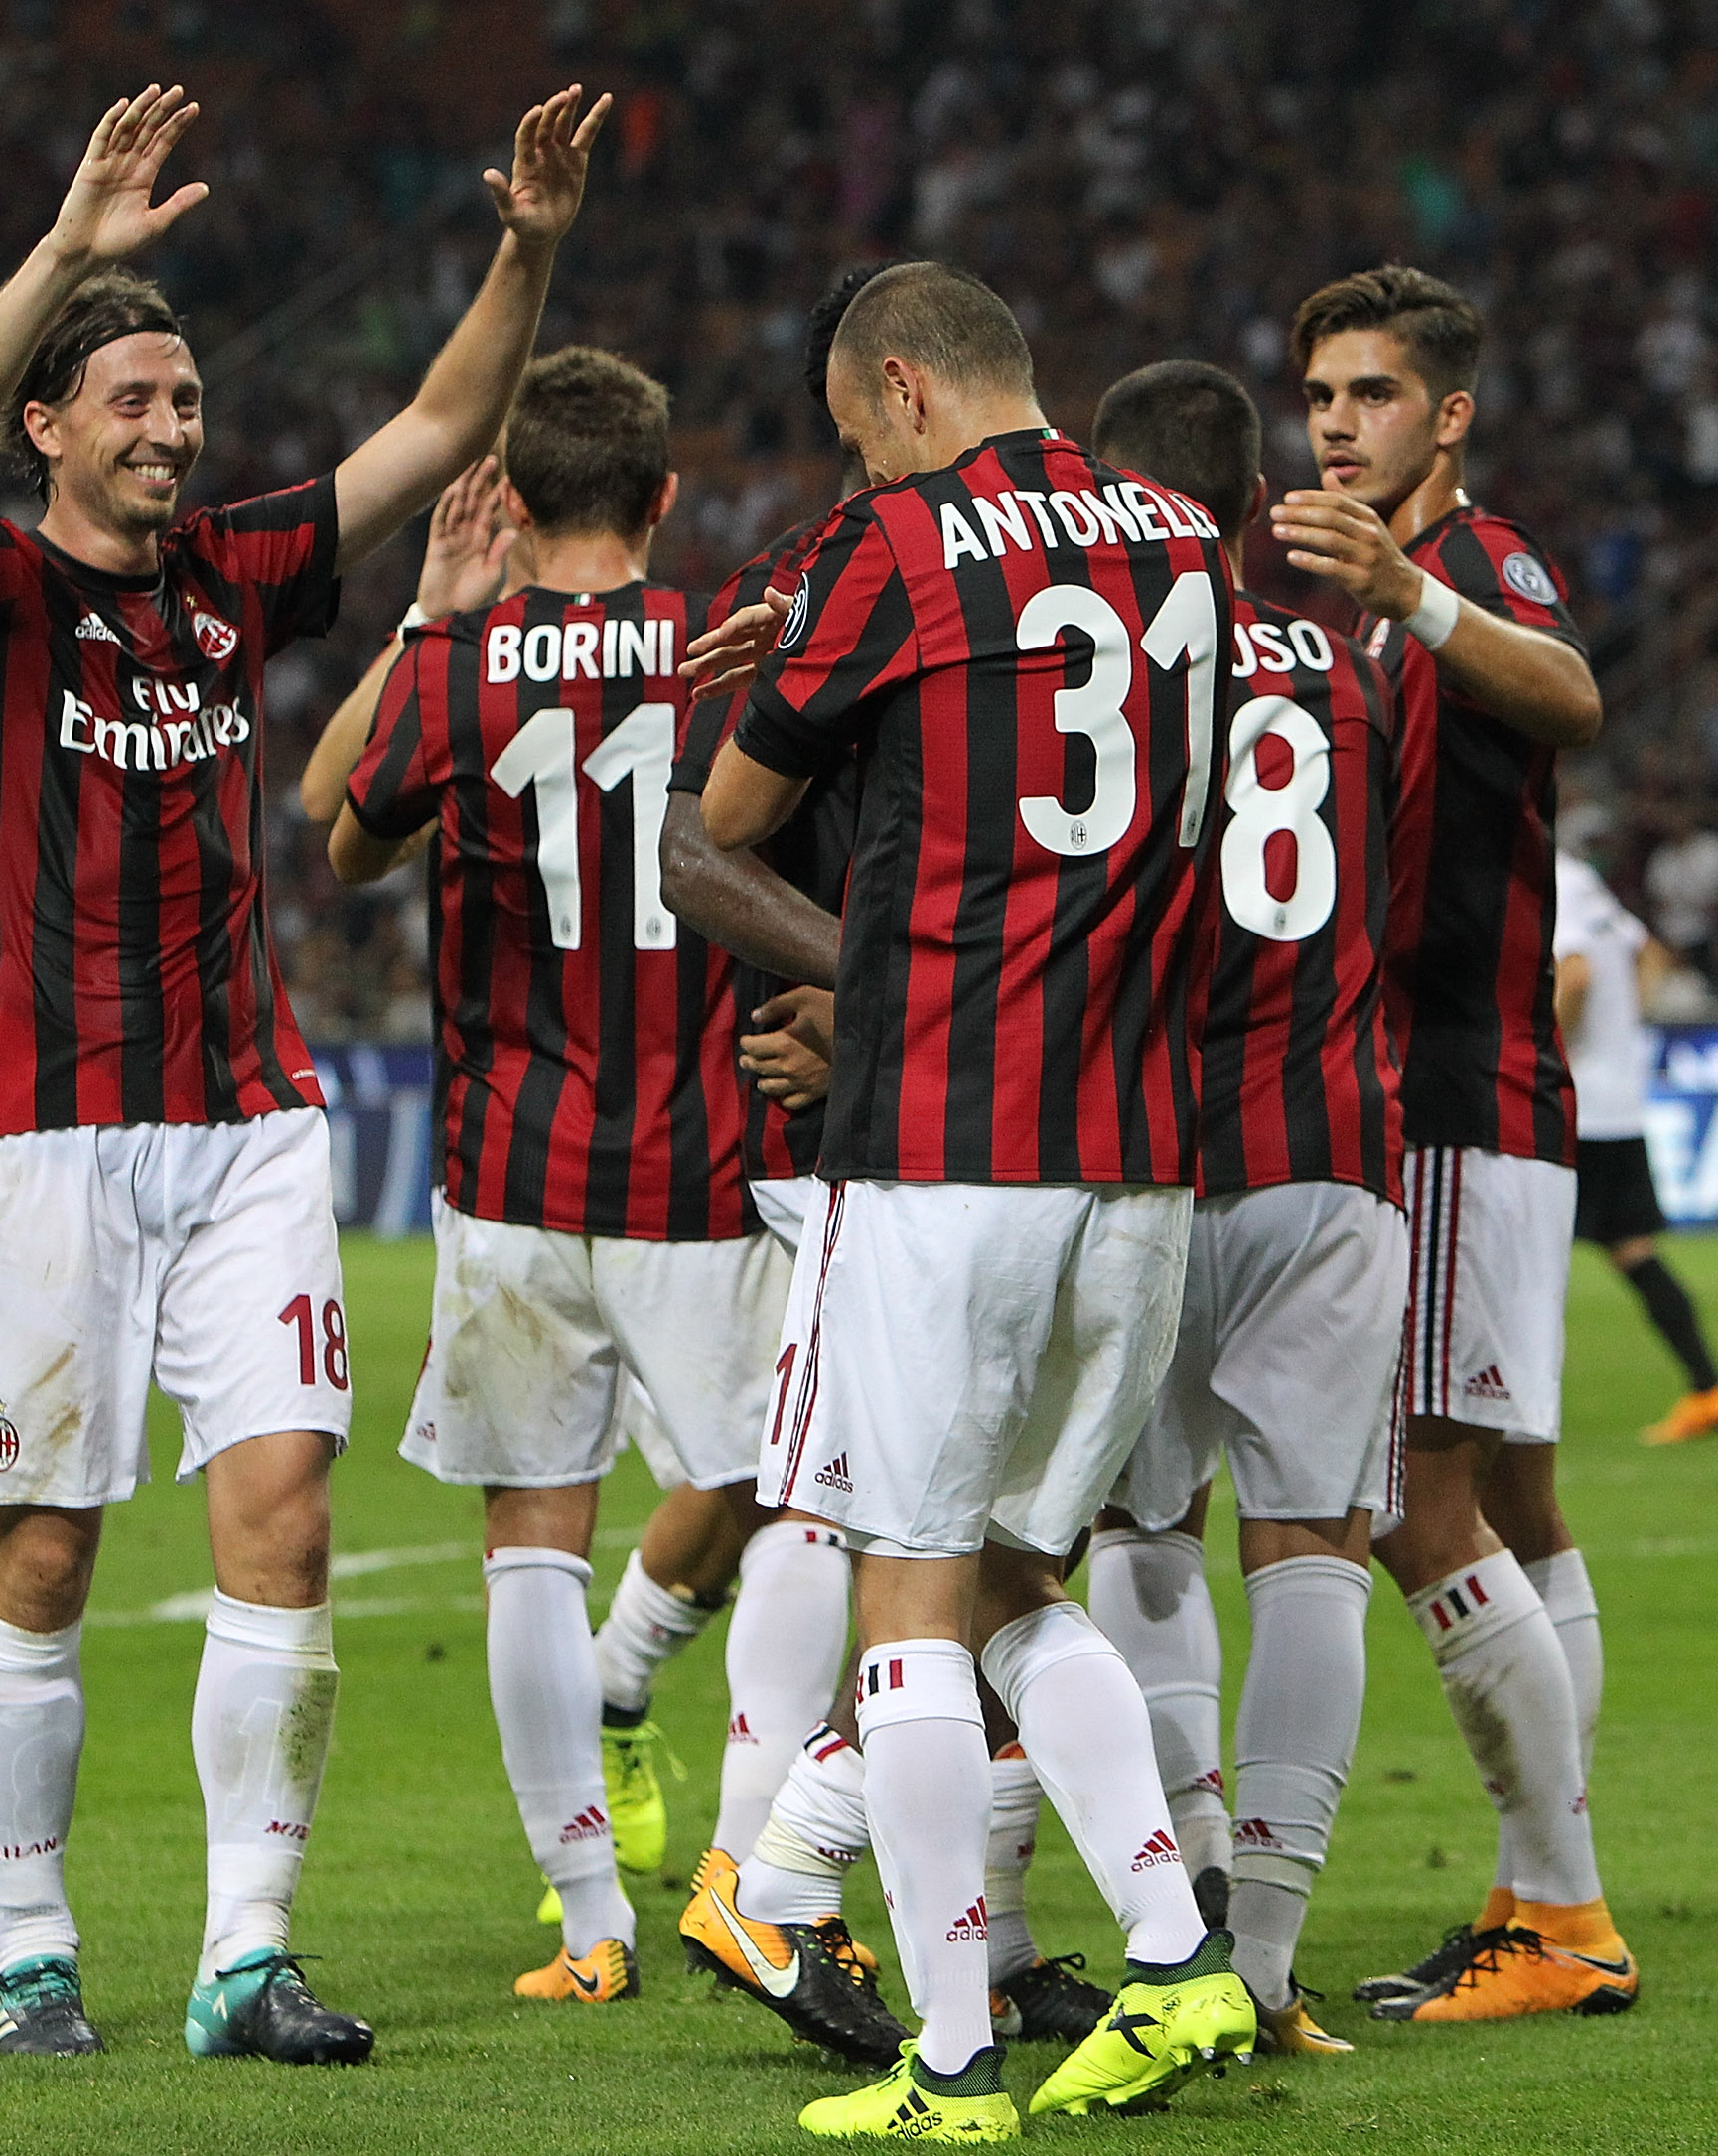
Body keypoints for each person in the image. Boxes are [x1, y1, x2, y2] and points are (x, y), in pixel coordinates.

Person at [0, 79, 606, 2060]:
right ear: (56, 424)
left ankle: (243, 1951)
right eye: (133, 396)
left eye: (187, 399)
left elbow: (446, 428)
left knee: (282, 1520)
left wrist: (529, 247)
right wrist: (66, 254)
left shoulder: (234, 573)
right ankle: (30, 1943)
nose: (173, 424)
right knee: (40, 1553)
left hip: (247, 1128)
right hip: (46, 1136)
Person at [697, 261, 1251, 2140]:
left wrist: (803, 665)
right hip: (1143, 1148)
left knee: (908, 1600)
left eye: (861, 431)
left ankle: (950, 2065)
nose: (858, 463)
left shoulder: (896, 546)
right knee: (1024, 1569)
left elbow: (727, 823)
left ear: (910, 390)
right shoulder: (1182, 533)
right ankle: (1181, 1964)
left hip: (950, 1137)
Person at [329, 347, 830, 2009]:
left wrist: (427, 620)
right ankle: (750, 1874)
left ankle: (590, 1925)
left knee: (531, 1547)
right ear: (665, 496)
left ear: (513, 499)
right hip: (703, 1160)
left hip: (513, 1171)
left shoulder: (462, 664)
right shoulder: (723, 643)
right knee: (795, 1503)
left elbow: (344, 836)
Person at [662, 264, 1105, 2069]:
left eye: (861, 442)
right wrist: (851, 999)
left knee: (946, 1539)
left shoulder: (944, 584)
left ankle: (944, 1939)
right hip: (907, 1124)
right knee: (882, 1523)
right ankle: (772, 1889)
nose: (861, 476)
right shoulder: (859, 584)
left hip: (985, 1108)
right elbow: (712, 852)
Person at [1268, 264, 1635, 2022]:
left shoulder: (1473, 571)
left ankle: (1564, 1911)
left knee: (1414, 1505)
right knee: (1513, 1494)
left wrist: (1411, 591)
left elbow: (1568, 695)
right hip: (1444, 1101)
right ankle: (1533, 1886)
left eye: (1372, 396)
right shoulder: (1344, 600)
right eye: (1320, 396)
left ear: (1450, 415)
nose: (1338, 424)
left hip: (1454, 1096)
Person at [1074, 360, 1409, 2060]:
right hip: (1331, 1152)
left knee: (1137, 1537)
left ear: (1119, 496)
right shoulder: (1350, 671)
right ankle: (1271, 1968)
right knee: (1314, 1557)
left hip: (1145, 1153)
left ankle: (1190, 1885)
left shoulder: (1100, 659)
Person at [1554, 847, 1718, 1443]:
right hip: (1614, 1102)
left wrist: (1537, 1050)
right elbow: (1653, 956)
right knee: (1632, 1250)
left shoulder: (1549, 880)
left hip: (1573, 1106)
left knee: (1512, 1255)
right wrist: (1624, 1037)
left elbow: (1576, 976)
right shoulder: (1584, 880)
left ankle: (1489, 1408)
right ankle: (1712, 1389)